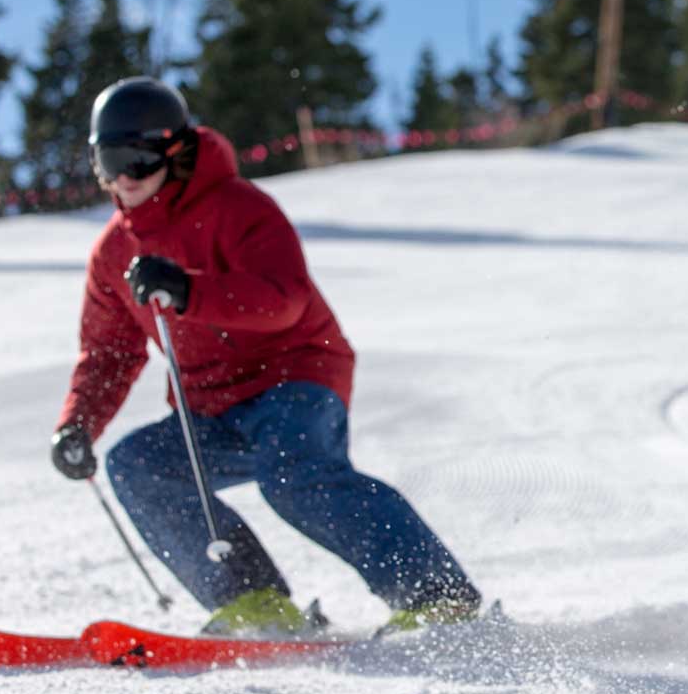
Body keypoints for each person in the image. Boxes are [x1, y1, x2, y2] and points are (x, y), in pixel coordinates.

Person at [49, 77, 479, 636]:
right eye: (108, 163)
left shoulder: (239, 207)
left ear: (175, 152)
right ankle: (253, 601)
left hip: (295, 376)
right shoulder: (113, 252)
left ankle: (435, 595)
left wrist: (189, 289)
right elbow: (108, 352)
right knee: (139, 466)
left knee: (295, 475)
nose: (123, 178)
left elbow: (283, 299)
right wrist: (78, 423)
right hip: (210, 404)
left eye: (137, 160)